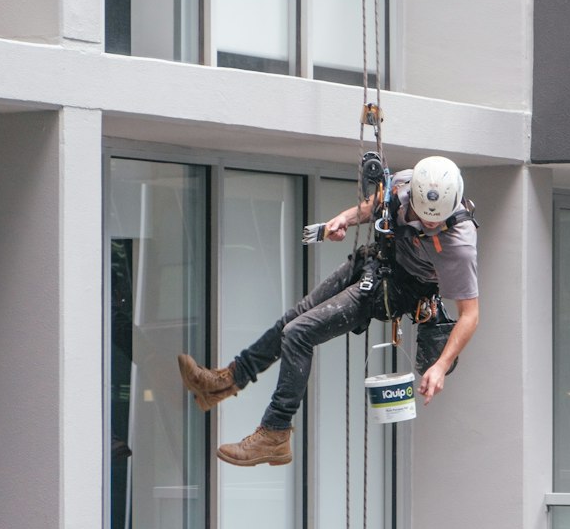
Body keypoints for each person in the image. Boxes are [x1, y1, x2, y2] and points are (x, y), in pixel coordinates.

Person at [177, 156, 479, 468]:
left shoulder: (458, 243)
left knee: (299, 334)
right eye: (423, 217)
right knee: (292, 320)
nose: (429, 225)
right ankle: (224, 382)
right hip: (376, 262)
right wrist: (344, 219)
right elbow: (376, 204)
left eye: (436, 222)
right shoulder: (404, 184)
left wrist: (441, 366)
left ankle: (275, 432)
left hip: (399, 291)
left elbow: (469, 313)